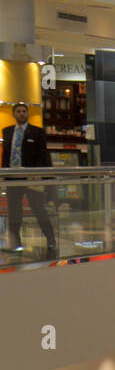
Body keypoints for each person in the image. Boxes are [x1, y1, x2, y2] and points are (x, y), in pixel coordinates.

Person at [2, 102, 56, 257]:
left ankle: (51, 239)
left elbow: (42, 154)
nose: (21, 113)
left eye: (24, 111)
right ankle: (15, 243)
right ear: (14, 114)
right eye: (18, 111)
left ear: (27, 113)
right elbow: (6, 155)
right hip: (13, 179)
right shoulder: (7, 131)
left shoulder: (37, 132)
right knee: (14, 211)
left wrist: (39, 174)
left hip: (32, 179)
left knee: (38, 210)